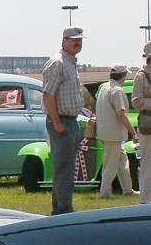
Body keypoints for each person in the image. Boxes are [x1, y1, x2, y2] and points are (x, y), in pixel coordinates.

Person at [42, 26, 85, 214]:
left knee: (65, 170)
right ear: (64, 40)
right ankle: (65, 212)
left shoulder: (70, 63)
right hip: (62, 122)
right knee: (64, 171)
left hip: (71, 121)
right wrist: (58, 124)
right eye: (74, 39)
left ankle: (59, 212)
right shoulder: (57, 63)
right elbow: (48, 96)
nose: (78, 42)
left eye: (80, 40)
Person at [95, 65, 138, 198]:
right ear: (122, 75)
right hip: (113, 134)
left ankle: (127, 190)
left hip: (104, 132)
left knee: (122, 161)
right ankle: (105, 192)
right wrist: (133, 132)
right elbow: (121, 114)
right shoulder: (117, 90)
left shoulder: (104, 88)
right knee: (110, 164)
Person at [132, 42, 151, 203]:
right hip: (147, 124)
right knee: (146, 163)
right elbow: (136, 101)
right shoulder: (141, 75)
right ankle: (145, 200)